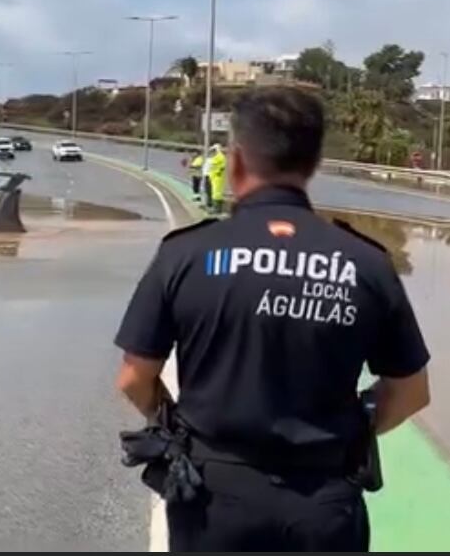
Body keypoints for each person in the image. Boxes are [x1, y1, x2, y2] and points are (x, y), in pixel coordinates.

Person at [114, 87, 430, 552]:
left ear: (236, 161)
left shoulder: (186, 254)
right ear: (313, 164)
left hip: (212, 500)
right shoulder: (365, 263)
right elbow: (410, 392)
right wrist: (350, 434)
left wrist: (176, 429)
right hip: (324, 502)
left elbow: (134, 378)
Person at [208, 144, 227, 214]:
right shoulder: (216, 156)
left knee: (217, 193)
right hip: (214, 176)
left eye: (214, 150)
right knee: (215, 193)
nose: (213, 151)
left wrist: (219, 172)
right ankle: (216, 208)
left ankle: (217, 209)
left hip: (217, 177)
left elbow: (223, 166)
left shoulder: (220, 156)